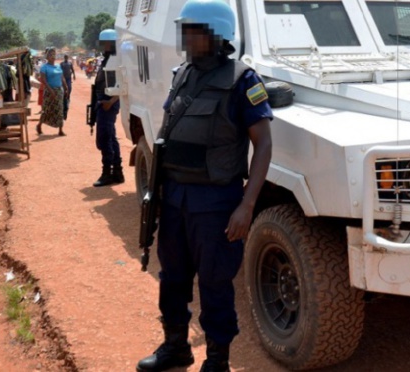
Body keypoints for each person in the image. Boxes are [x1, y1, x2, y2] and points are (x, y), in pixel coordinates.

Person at [136, 1, 273, 371]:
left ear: (215, 35)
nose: (184, 37)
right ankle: (176, 347)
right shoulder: (182, 74)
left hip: (216, 203)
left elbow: (263, 144)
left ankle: (217, 361)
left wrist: (246, 205)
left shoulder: (243, 80)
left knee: (215, 283)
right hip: (176, 199)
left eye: (191, 30)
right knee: (172, 277)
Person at [92, 29, 124, 187]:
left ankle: (107, 173)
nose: (104, 46)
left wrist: (111, 101)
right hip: (104, 101)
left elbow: (124, 83)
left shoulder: (116, 60)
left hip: (108, 102)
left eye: (106, 43)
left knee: (105, 138)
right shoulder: (108, 59)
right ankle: (117, 172)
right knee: (110, 137)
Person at [37, 47, 68, 136]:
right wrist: (51, 91)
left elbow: (62, 77)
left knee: (59, 109)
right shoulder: (44, 67)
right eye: (50, 55)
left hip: (59, 91)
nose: (52, 56)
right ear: (47, 57)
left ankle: (60, 130)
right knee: (47, 109)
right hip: (49, 91)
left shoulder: (58, 66)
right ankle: (39, 125)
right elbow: (43, 80)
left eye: (54, 54)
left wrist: (66, 87)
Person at [60, 54, 76, 120]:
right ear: (64, 57)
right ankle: (64, 97)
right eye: (65, 57)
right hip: (63, 78)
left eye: (67, 57)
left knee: (69, 87)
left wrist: (74, 75)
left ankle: (68, 96)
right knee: (63, 89)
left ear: (68, 57)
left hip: (69, 78)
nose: (66, 58)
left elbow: (72, 69)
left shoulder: (70, 63)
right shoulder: (62, 64)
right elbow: (60, 71)